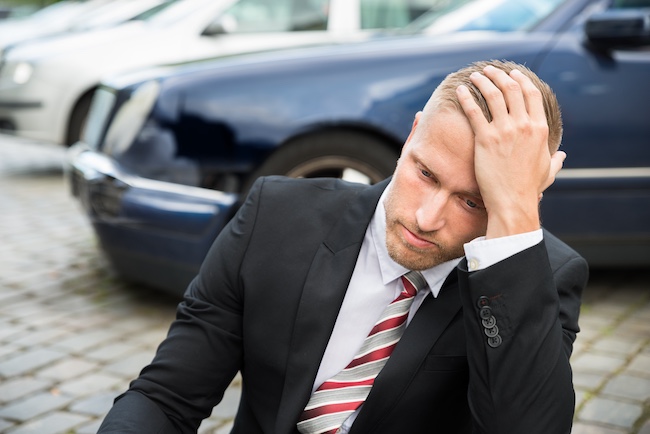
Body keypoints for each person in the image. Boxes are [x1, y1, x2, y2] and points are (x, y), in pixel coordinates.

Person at [97, 60, 588, 434]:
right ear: (413, 133)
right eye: (425, 173)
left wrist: (516, 217)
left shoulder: (545, 277)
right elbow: (166, 397)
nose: (427, 218)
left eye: (472, 201)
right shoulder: (276, 216)